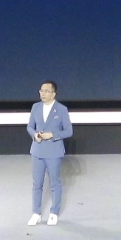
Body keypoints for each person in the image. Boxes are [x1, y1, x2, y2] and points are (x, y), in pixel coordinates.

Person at [26, 80, 71, 226]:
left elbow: (69, 131)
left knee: (55, 183)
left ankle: (54, 213)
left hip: (53, 152)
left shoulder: (61, 109)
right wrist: (35, 135)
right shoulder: (36, 107)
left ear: (53, 94)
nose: (43, 94)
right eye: (41, 91)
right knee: (37, 184)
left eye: (46, 91)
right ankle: (36, 213)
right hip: (37, 151)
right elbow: (30, 127)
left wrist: (52, 135)